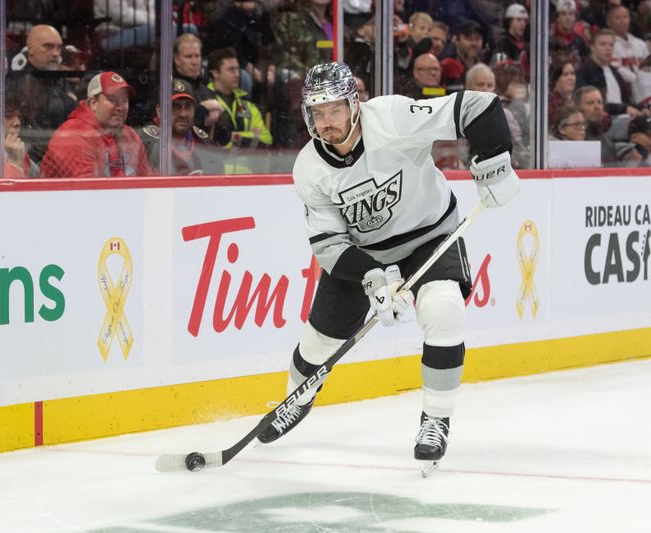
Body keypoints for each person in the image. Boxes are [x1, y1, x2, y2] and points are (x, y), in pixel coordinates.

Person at [257, 62, 518, 473]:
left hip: (430, 234)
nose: (327, 122)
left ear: (354, 105)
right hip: (365, 254)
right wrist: (373, 277)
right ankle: (295, 398)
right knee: (318, 343)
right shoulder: (309, 168)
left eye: (335, 110)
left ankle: (435, 419)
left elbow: (480, 107)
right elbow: (328, 245)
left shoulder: (393, 118)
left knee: (443, 308)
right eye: (317, 112)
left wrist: (495, 161)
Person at [41, 71, 151, 178]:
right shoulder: (74, 134)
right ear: (93, 103)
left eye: (124, 101)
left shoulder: (130, 135)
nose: (120, 107)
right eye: (112, 100)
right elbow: (90, 191)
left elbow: (149, 182)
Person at [6, 24, 78, 164]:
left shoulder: (61, 82)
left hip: (61, 158)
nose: (56, 53)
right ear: (31, 49)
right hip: (31, 161)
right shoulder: (17, 85)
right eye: (48, 47)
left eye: (59, 48)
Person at [136, 78, 220, 175]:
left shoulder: (204, 141)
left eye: (188, 106)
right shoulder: (143, 142)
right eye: (175, 106)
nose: (183, 114)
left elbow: (219, 176)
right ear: (159, 111)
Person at [206, 47, 272, 150]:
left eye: (237, 69)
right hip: (215, 166)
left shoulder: (246, 105)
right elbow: (211, 144)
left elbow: (267, 140)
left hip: (248, 166)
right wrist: (251, 136)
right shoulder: (205, 101)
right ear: (215, 73)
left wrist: (234, 137)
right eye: (231, 70)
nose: (237, 74)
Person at [440, 19, 486, 93]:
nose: (474, 43)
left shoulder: (482, 64)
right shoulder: (449, 63)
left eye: (477, 39)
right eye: (469, 39)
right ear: (457, 40)